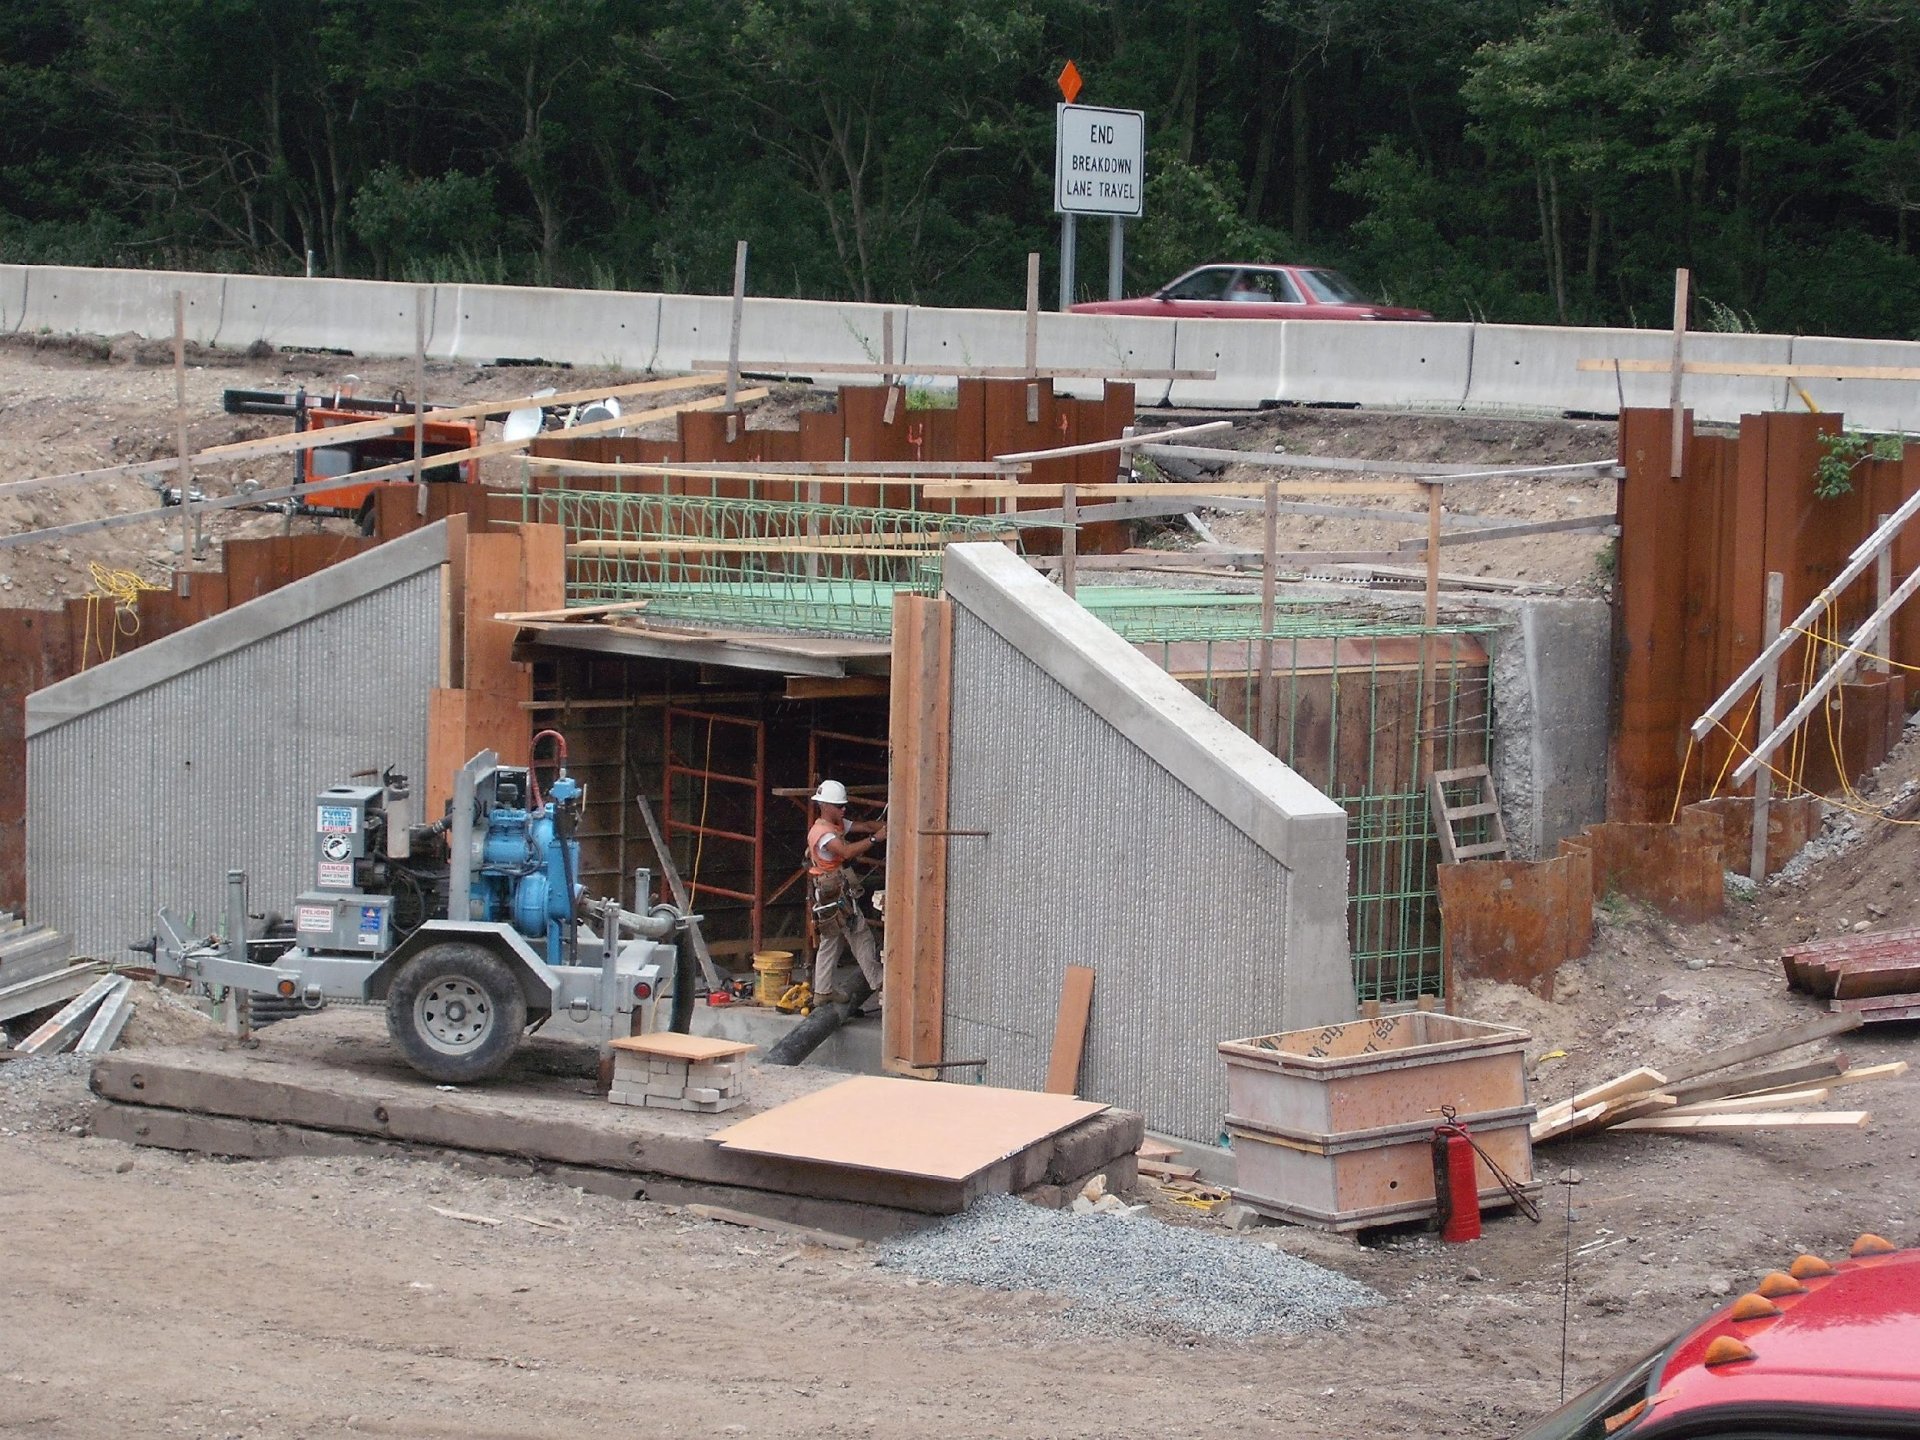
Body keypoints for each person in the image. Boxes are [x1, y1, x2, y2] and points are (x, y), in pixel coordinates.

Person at [806, 779, 886, 1005]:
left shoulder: (835, 824)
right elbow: (847, 851)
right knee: (860, 935)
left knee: (831, 939)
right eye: (839, 806)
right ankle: (879, 980)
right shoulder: (823, 834)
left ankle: (822, 991)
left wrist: (883, 826)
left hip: (832, 890)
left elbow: (865, 825)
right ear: (826, 806)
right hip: (834, 893)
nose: (843, 809)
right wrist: (875, 839)